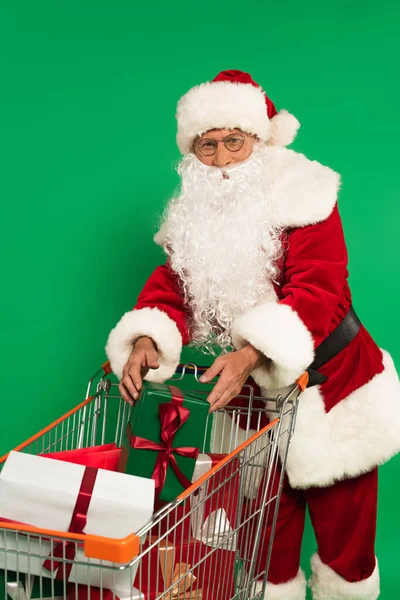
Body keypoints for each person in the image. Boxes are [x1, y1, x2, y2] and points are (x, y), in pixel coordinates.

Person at [106, 70, 400, 600]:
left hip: (330, 389)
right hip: (253, 402)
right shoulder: (193, 214)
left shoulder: (306, 197)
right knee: (265, 538)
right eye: (207, 145)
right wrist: (148, 336)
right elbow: (172, 285)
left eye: (233, 143)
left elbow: (319, 288)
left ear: (259, 140)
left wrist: (252, 352)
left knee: (345, 544)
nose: (220, 161)